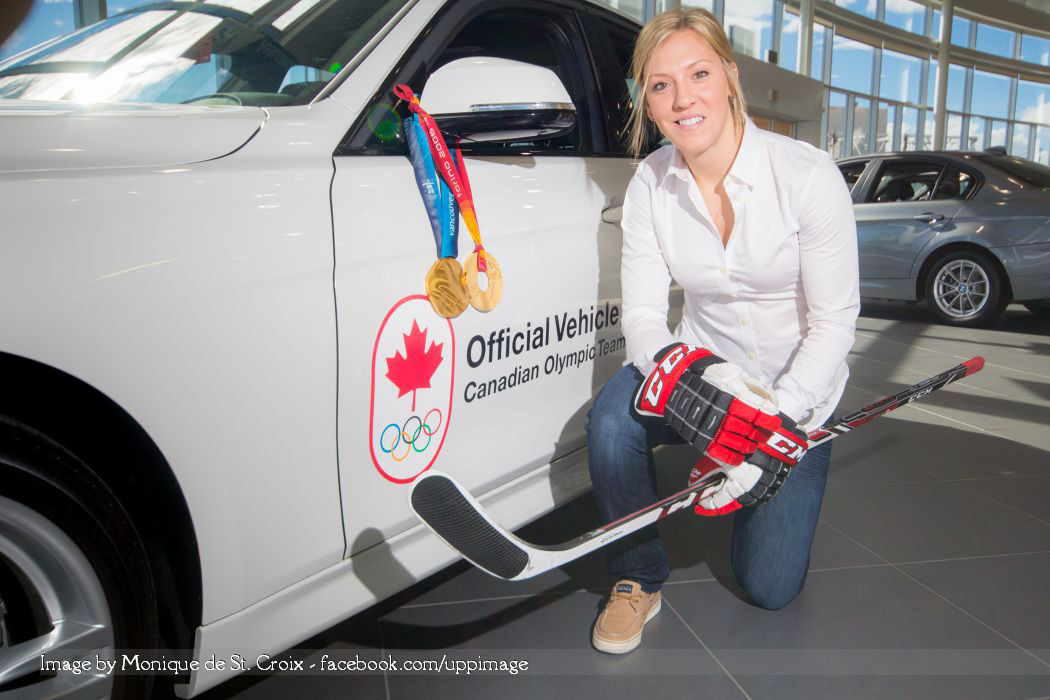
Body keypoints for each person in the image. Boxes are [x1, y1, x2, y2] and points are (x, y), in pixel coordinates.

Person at [588, 7, 859, 655]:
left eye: (699, 73)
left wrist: (773, 419)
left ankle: (752, 492)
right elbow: (647, 320)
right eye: (660, 85)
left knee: (769, 587)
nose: (683, 99)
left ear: (730, 79)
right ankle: (637, 575)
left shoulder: (807, 177)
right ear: (647, 104)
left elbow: (835, 322)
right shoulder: (651, 186)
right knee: (610, 421)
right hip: (702, 381)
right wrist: (700, 378)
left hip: (797, 398)